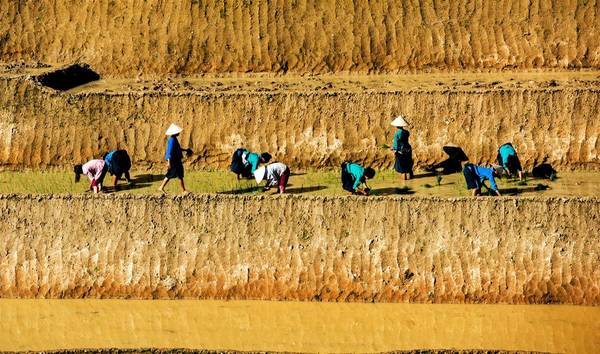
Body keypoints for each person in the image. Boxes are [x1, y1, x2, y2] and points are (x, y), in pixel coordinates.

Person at [158, 123, 192, 194]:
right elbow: (169, 151)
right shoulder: (172, 140)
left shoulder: (174, 139)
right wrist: (169, 162)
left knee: (177, 174)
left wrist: (185, 150)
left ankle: (162, 187)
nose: (179, 132)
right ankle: (183, 190)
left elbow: (178, 148)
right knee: (173, 174)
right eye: (178, 131)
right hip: (174, 161)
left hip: (176, 160)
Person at [390, 115, 414, 180]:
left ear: (396, 126)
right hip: (408, 150)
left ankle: (404, 185)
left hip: (401, 152)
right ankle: (410, 181)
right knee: (408, 167)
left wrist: (393, 149)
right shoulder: (407, 132)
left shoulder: (397, 134)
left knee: (403, 170)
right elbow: (404, 141)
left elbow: (396, 145)